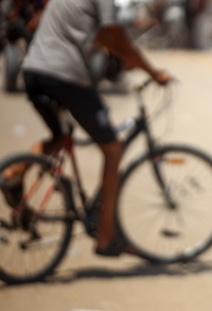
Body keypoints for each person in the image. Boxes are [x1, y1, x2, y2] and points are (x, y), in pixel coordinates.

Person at [0, 0, 170, 256]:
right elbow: (119, 38)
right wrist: (153, 72)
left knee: (60, 136)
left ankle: (14, 171)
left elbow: (103, 37)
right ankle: (106, 237)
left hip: (34, 71)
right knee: (113, 150)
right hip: (64, 76)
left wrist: (128, 59)